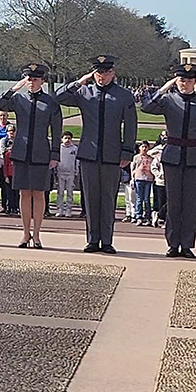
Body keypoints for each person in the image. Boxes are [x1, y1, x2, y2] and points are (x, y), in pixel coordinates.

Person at [56, 55, 137, 254]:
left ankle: (107, 241)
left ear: (113, 73)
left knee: (108, 198)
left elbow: (131, 126)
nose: (102, 77)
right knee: (91, 199)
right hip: (89, 153)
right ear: (94, 74)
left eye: (106, 73)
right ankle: (92, 239)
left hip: (112, 153)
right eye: (98, 73)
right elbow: (59, 97)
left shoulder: (123, 95)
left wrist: (127, 150)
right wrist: (80, 81)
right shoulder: (85, 92)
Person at [140, 63, 196, 258]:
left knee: (191, 204)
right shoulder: (168, 100)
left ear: (195, 82)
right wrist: (165, 87)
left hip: (194, 156)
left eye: (189, 80)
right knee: (173, 203)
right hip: (173, 156)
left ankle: (187, 244)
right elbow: (147, 106)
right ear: (177, 80)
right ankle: (173, 243)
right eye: (182, 80)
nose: (185, 84)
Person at [0, 63, 63, 249]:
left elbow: (57, 131)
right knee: (24, 194)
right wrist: (15, 88)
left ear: (42, 80)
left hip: (41, 152)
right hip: (21, 152)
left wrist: (55, 154)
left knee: (39, 194)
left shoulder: (51, 103)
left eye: (35, 79)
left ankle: (38, 235)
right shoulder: (18, 99)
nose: (31, 83)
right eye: (29, 79)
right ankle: (25, 233)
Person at [55, 132, 79, 218]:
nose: (67, 140)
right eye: (65, 138)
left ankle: (68, 209)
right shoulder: (59, 148)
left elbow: (77, 161)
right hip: (60, 173)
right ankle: (59, 209)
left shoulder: (74, 149)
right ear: (62, 139)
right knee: (60, 192)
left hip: (71, 173)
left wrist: (76, 171)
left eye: (69, 138)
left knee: (70, 192)